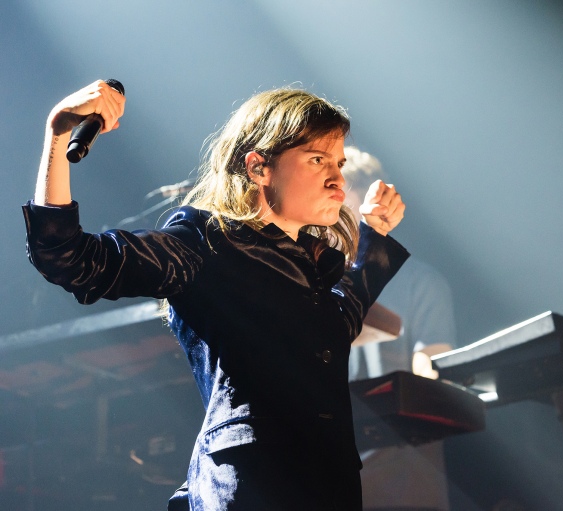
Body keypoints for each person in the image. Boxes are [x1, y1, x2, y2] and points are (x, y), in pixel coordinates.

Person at [23, 80, 409, 510]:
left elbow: (343, 319)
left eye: (337, 162)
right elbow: (71, 258)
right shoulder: (205, 242)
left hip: (329, 485)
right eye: (318, 159)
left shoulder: (312, 267)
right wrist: (58, 133)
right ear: (259, 167)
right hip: (249, 486)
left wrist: (375, 235)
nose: (337, 178)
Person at [342, 147, 456, 511]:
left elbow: (432, 376)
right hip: (331, 460)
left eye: (338, 186)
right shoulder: (313, 280)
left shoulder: (420, 282)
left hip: (401, 469)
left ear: (367, 195)